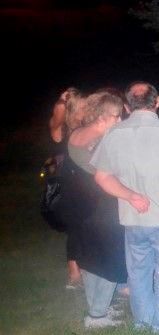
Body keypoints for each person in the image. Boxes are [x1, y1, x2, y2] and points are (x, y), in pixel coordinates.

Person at [92, 82, 159, 335]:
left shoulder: (113, 134)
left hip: (133, 218)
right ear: (157, 101)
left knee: (138, 273)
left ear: (127, 107)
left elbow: (102, 177)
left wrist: (130, 196)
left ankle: (143, 322)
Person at [64, 91, 128, 328]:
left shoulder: (76, 134)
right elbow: (111, 174)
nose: (119, 120)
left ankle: (98, 309)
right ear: (101, 117)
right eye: (116, 116)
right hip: (104, 207)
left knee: (91, 260)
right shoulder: (105, 141)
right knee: (111, 258)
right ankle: (98, 315)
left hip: (83, 206)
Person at [49, 87, 85, 289]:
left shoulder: (86, 128)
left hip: (87, 183)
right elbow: (57, 116)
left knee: (86, 225)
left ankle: (86, 267)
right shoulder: (60, 130)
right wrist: (62, 101)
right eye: (82, 106)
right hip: (69, 185)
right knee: (74, 226)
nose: (86, 109)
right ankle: (73, 272)